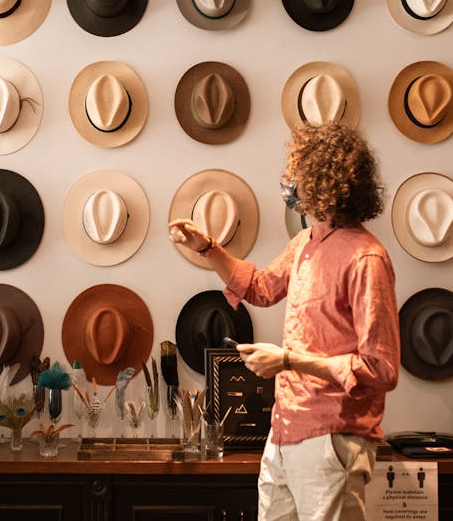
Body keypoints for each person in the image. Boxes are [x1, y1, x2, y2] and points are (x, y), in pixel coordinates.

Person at [169, 122, 400, 521]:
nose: (290, 182)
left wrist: (289, 360)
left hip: (333, 437)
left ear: (327, 180)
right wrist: (207, 248)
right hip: (283, 432)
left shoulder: (366, 258)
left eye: (300, 172)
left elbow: (381, 368)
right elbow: (259, 288)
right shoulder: (305, 244)